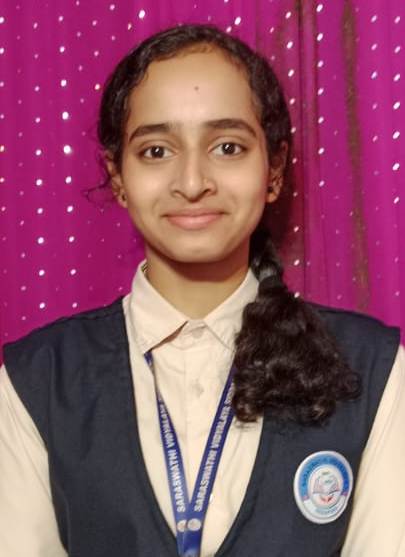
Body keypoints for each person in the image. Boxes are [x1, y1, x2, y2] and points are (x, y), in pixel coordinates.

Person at [0, 24, 404, 557]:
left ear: (274, 169)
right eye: (156, 151)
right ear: (117, 176)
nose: (192, 183)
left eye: (228, 147)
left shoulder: (373, 369)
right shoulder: (36, 380)